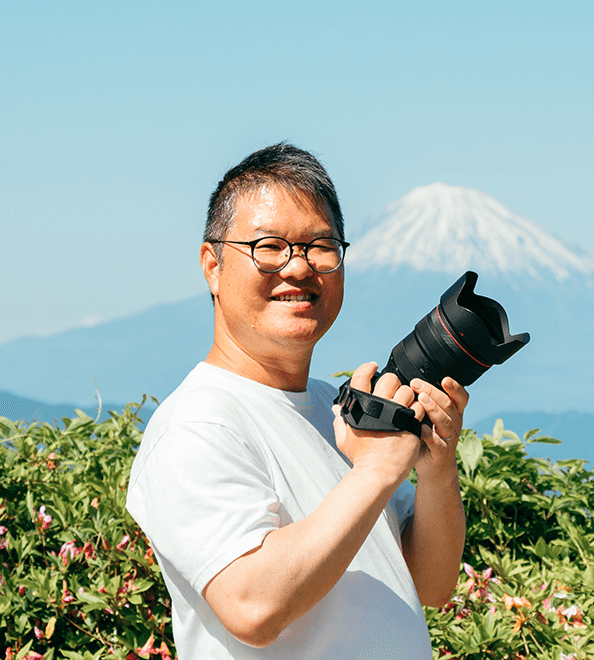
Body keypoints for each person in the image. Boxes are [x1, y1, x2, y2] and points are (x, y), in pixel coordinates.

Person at [126, 142, 468, 659]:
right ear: (212, 265)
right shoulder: (198, 424)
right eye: (269, 246)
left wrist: (435, 471)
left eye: (321, 246)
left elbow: (430, 584)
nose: (300, 268)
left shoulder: (335, 410)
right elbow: (251, 605)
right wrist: (374, 472)